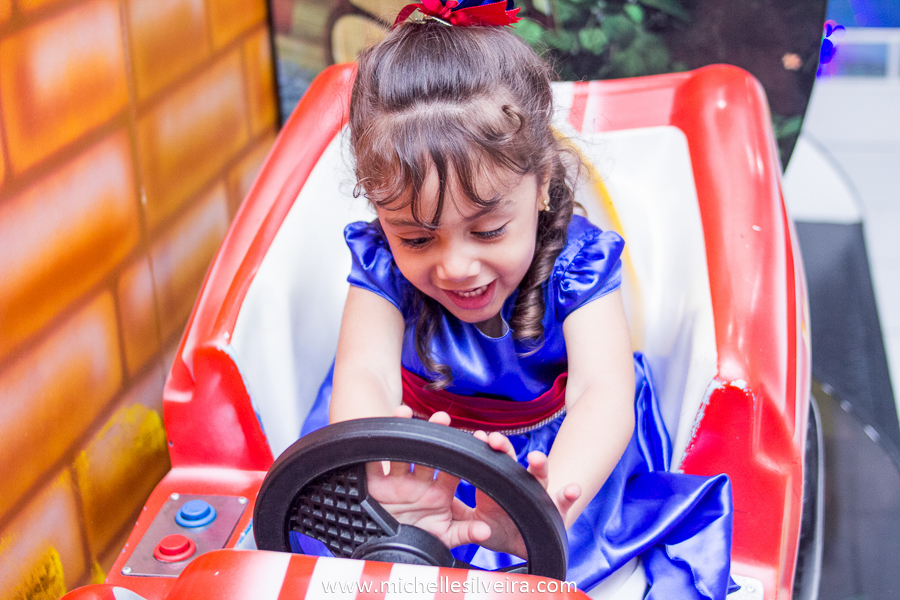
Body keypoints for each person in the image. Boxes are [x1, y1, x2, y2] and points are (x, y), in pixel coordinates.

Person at [301, 2, 737, 597]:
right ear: (380, 213)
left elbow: (603, 393)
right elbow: (364, 374)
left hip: (552, 462)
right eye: (417, 237)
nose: (455, 266)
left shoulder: (577, 266)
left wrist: (548, 500)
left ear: (543, 184)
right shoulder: (380, 262)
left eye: (487, 231)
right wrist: (375, 478)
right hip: (415, 458)